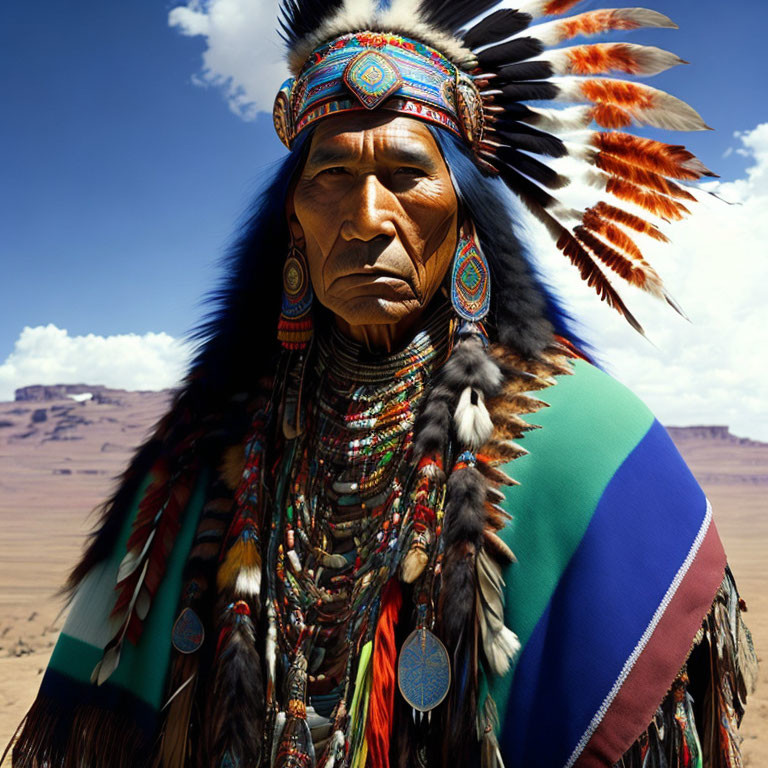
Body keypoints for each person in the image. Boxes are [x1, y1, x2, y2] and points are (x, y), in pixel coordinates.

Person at [7, 0, 757, 766]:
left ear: (466, 220)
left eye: (407, 175)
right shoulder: (204, 455)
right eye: (331, 175)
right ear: (291, 223)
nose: (367, 217)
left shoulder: (589, 448)